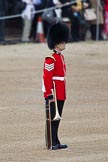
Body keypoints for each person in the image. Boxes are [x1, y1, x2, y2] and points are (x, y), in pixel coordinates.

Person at [42, 22, 70, 150]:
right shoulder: (50, 59)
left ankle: (56, 140)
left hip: (61, 91)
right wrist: (48, 94)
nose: (64, 43)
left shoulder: (60, 57)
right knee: (53, 117)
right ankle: (52, 142)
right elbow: (47, 78)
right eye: (62, 41)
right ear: (56, 42)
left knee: (58, 118)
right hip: (54, 92)